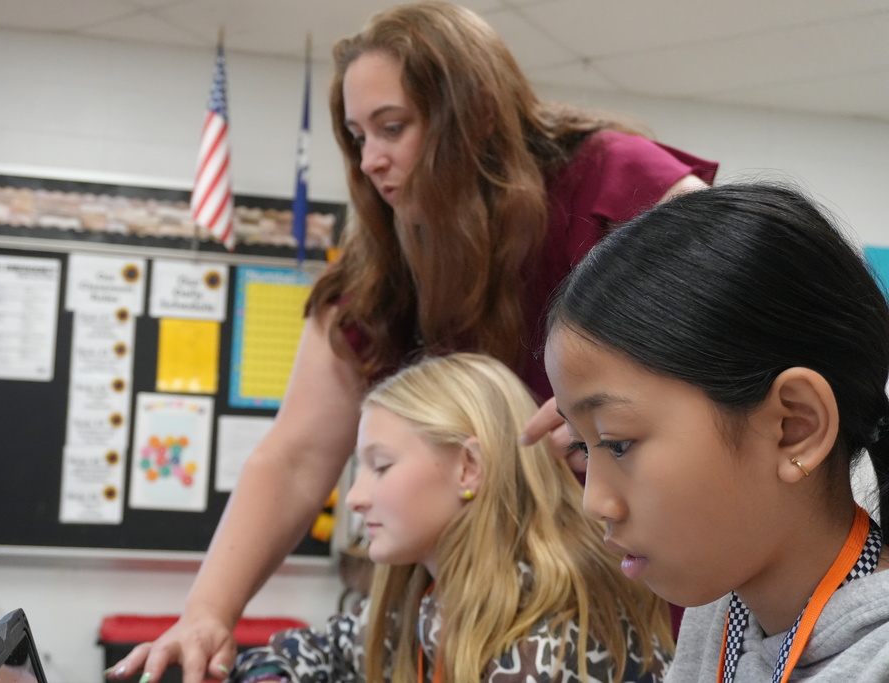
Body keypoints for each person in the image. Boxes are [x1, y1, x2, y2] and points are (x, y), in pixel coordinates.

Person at [108, 3, 716, 681]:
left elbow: (747, 313)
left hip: (647, 582)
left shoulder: (611, 179)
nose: (370, 159)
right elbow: (295, 455)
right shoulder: (378, 273)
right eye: (356, 136)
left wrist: (617, 406)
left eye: (393, 127)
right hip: (482, 608)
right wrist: (207, 613)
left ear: (473, 114)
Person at [542, 183, 889, 682]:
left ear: (795, 427)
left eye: (618, 443)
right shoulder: (724, 610)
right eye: (581, 444)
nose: (595, 503)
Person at [225, 353, 674, 683]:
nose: (356, 499)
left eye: (381, 466)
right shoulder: (427, 603)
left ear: (468, 468)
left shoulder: (551, 644)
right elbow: (313, 651)